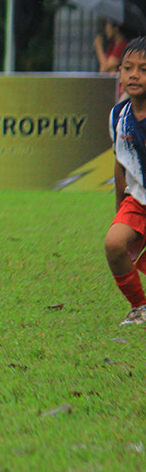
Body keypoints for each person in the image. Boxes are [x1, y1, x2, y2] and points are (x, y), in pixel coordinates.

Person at [106, 37, 146, 324]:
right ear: (119, 72)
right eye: (128, 68)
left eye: (144, 69)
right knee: (114, 244)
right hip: (139, 200)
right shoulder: (119, 115)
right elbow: (120, 162)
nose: (134, 75)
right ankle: (140, 307)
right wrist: (120, 209)